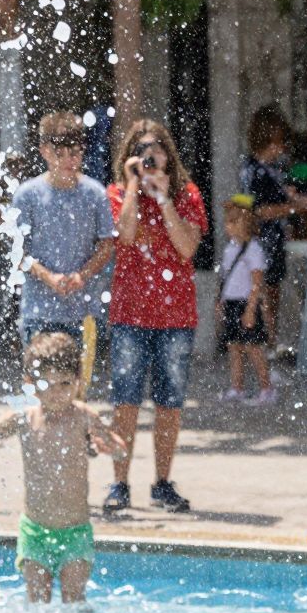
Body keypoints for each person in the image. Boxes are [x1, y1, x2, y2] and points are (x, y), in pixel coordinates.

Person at [0, 331, 124, 604]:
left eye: (65, 383)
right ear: (30, 384)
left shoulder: (83, 417)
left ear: (78, 381)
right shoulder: (24, 415)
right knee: (37, 601)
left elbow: (121, 449)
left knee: (74, 598)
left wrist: (112, 445)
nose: (56, 393)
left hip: (75, 531)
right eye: (46, 384)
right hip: (34, 532)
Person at [105, 120, 206, 514]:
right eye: (142, 148)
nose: (151, 155)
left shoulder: (187, 194)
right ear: (130, 155)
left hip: (176, 316)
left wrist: (164, 200)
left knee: (170, 404)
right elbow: (125, 236)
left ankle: (163, 483)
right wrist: (134, 187)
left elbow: (185, 248)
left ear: (169, 154)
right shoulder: (116, 192)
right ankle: (119, 484)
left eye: (157, 148)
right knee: (125, 402)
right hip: (130, 314)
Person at [9, 110, 116, 380]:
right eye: (62, 154)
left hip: (82, 312)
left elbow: (106, 246)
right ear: (45, 151)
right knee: (37, 391)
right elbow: (18, 252)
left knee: (77, 390)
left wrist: (82, 275)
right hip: (38, 311)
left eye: (76, 153)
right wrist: (48, 277)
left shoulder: (94, 194)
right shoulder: (27, 195)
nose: (70, 160)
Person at [242, 105, 307, 356]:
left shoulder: (267, 168)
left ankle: (268, 345)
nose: (281, 149)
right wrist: (294, 206)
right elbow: (259, 211)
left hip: (272, 241)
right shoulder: (256, 170)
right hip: (262, 243)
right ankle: (264, 348)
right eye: (277, 142)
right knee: (263, 296)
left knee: (271, 294)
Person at [217, 196, 274, 403]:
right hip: (232, 302)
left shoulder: (253, 249)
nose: (228, 226)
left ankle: (267, 388)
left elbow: (257, 282)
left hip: (246, 303)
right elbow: (226, 277)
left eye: (233, 222)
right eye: (227, 222)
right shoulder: (230, 248)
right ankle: (237, 387)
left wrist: (251, 309)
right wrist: (221, 300)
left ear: (246, 223)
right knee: (233, 346)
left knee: (253, 347)